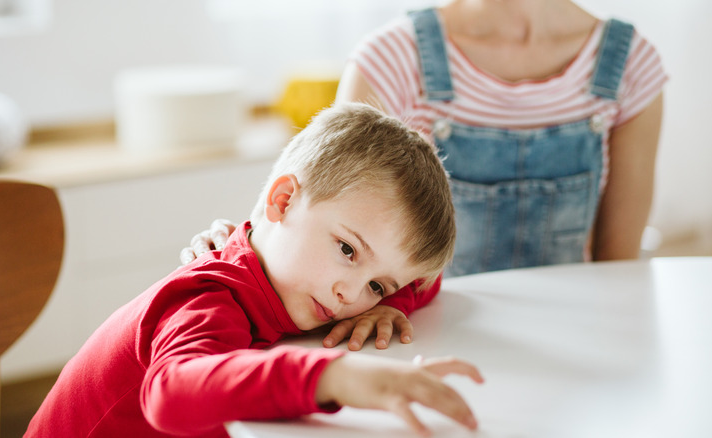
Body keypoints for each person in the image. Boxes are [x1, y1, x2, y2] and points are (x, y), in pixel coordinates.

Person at [182, 0, 667, 350]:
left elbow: (616, 270)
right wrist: (228, 246)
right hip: (424, 340)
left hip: (568, 341)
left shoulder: (630, 64)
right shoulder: (393, 57)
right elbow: (308, 205)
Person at [26, 103, 483, 438]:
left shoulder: (314, 284)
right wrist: (336, 376)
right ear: (283, 201)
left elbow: (424, 278)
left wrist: (390, 304)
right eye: (347, 249)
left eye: (377, 284)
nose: (352, 295)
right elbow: (170, 393)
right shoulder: (211, 297)